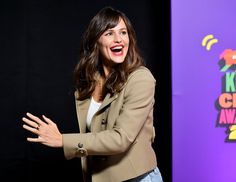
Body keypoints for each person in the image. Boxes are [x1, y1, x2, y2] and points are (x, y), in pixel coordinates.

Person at [22, 6, 163, 182]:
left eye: (123, 32)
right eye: (109, 33)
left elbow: (121, 139)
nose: (119, 39)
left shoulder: (141, 79)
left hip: (137, 178)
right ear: (96, 40)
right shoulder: (89, 83)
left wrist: (62, 140)